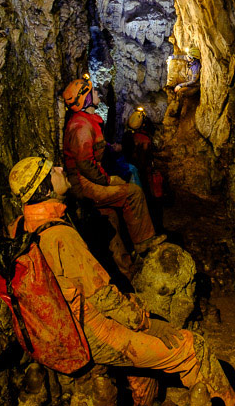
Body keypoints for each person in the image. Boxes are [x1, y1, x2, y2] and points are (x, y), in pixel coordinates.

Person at [7, 156, 235, 406]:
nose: (61, 169)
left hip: (52, 334)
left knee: (138, 328)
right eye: (52, 170)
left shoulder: (20, 228)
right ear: (44, 189)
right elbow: (104, 298)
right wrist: (147, 324)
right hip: (90, 331)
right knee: (192, 347)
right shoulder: (60, 236)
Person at [62, 74, 164, 271]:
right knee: (133, 193)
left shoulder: (87, 121)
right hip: (84, 184)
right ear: (86, 98)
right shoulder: (80, 125)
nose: (97, 92)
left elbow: (94, 151)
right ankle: (144, 241)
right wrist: (108, 180)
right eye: (92, 91)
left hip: (89, 180)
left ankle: (125, 268)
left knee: (111, 220)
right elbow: (85, 164)